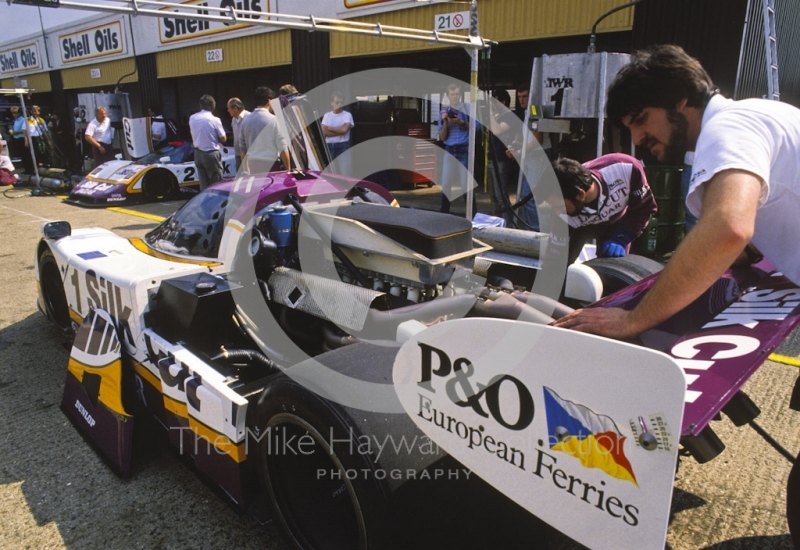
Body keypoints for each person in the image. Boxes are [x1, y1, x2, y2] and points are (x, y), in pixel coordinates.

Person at [552, 44, 800, 336]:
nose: (638, 137)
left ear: (679, 99)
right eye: (629, 127)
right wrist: (753, 248)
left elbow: (728, 228)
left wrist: (632, 320)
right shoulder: (757, 113)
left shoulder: (726, 130)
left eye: (641, 119)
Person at [551, 155, 657, 264]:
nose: (558, 212)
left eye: (559, 206)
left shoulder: (626, 169)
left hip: (618, 221)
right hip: (581, 228)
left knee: (614, 269)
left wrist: (621, 238)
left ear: (580, 194)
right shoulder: (562, 217)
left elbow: (645, 209)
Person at [438, 83, 477, 216]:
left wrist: (461, 122)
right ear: (448, 96)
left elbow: (477, 127)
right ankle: (443, 214)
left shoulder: (468, 108)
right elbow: (442, 137)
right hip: (449, 149)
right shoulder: (443, 113)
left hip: (464, 149)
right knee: (446, 183)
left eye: (457, 94)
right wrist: (445, 123)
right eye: (452, 94)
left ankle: (473, 215)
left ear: (460, 95)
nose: (455, 97)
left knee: (466, 185)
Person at [239, 86, 290, 175]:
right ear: (269, 101)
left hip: (253, 164)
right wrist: (288, 170)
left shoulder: (245, 121)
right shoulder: (274, 120)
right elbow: (282, 147)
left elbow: (242, 148)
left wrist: (246, 170)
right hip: (271, 165)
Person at [487, 89, 517, 220]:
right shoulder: (499, 116)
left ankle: (507, 223)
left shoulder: (510, 116)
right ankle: (499, 222)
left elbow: (496, 130)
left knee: (501, 195)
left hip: (501, 158)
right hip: (493, 157)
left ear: (503, 102)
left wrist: (490, 113)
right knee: (494, 195)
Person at [188, 94, 227, 191]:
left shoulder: (192, 118)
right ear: (213, 106)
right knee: (216, 182)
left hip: (197, 153)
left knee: (203, 183)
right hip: (210, 153)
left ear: (200, 105)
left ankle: (205, 204)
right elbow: (223, 138)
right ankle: (216, 204)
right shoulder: (215, 120)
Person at [321, 92, 354, 175]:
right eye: (337, 102)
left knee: (345, 173)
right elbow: (324, 132)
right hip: (329, 146)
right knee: (328, 174)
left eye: (341, 102)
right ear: (331, 103)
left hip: (342, 146)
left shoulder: (347, 115)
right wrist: (340, 130)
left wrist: (329, 128)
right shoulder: (327, 115)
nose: (339, 104)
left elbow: (344, 130)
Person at [226, 97, 250, 172]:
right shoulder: (234, 119)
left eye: (229, 108)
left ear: (235, 108)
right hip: (238, 154)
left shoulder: (249, 117)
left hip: (248, 155)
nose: (228, 110)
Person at [8, 106, 30, 173]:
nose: (14, 114)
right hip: (17, 139)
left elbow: (25, 130)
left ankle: (29, 169)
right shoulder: (15, 121)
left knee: (26, 155)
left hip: (22, 138)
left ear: (19, 113)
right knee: (22, 155)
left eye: (15, 113)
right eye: (13, 113)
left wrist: (16, 132)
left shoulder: (23, 119)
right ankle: (26, 169)